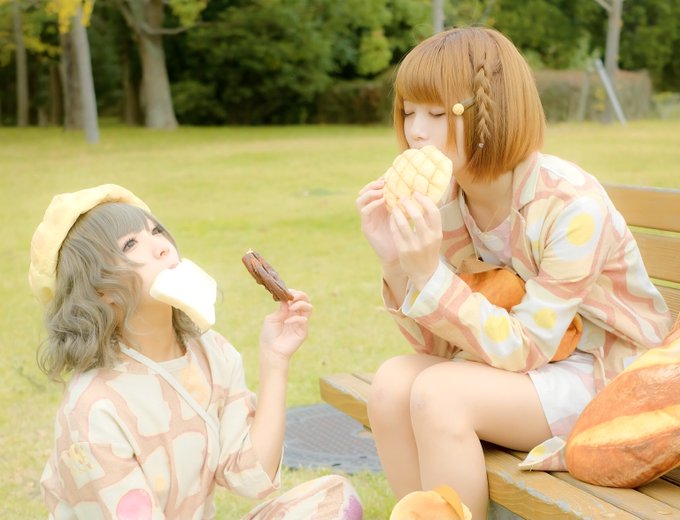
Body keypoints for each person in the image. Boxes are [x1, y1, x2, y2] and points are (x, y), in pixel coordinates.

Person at [355, 26, 671, 518]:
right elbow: (438, 347)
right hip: (529, 367)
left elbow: (527, 347)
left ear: (491, 113)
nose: (415, 131)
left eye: (436, 114)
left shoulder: (570, 205)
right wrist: (396, 261)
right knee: (392, 383)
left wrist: (431, 277)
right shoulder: (448, 202)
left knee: (440, 395)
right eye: (409, 112)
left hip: (609, 377)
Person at [30, 184, 363, 520]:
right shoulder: (93, 407)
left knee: (333, 498)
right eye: (131, 244)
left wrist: (275, 360)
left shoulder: (212, 352)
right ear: (101, 291)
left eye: (156, 231)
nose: (161, 246)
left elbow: (251, 476)